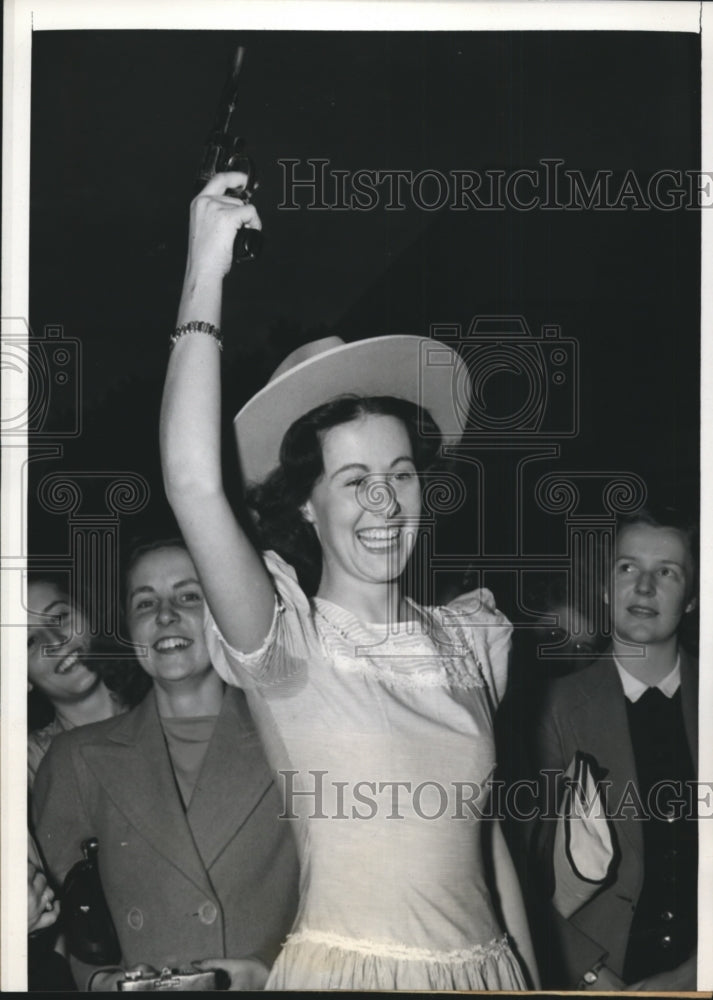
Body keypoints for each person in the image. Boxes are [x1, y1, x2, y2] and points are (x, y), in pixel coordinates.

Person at [158, 171, 539, 990]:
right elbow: (191, 482)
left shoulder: (468, 639)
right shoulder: (284, 642)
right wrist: (205, 269)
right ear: (306, 502)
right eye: (353, 480)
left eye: (399, 474)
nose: (384, 503)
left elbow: (487, 851)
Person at [33, 539, 299, 991]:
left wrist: (273, 975)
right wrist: (100, 983)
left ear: (226, 609)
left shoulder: (294, 738)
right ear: (127, 627)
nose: (165, 615)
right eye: (145, 602)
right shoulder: (73, 759)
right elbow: (67, 930)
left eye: (189, 596)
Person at [531, 507, 698, 991]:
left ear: (691, 598)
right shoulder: (549, 711)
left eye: (666, 572)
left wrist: (693, 973)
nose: (643, 587)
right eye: (628, 568)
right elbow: (517, 873)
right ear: (606, 587)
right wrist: (589, 973)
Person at [27, 575, 146, 788]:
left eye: (59, 617)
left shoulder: (167, 702)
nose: (55, 641)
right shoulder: (29, 763)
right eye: (30, 642)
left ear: (88, 615)